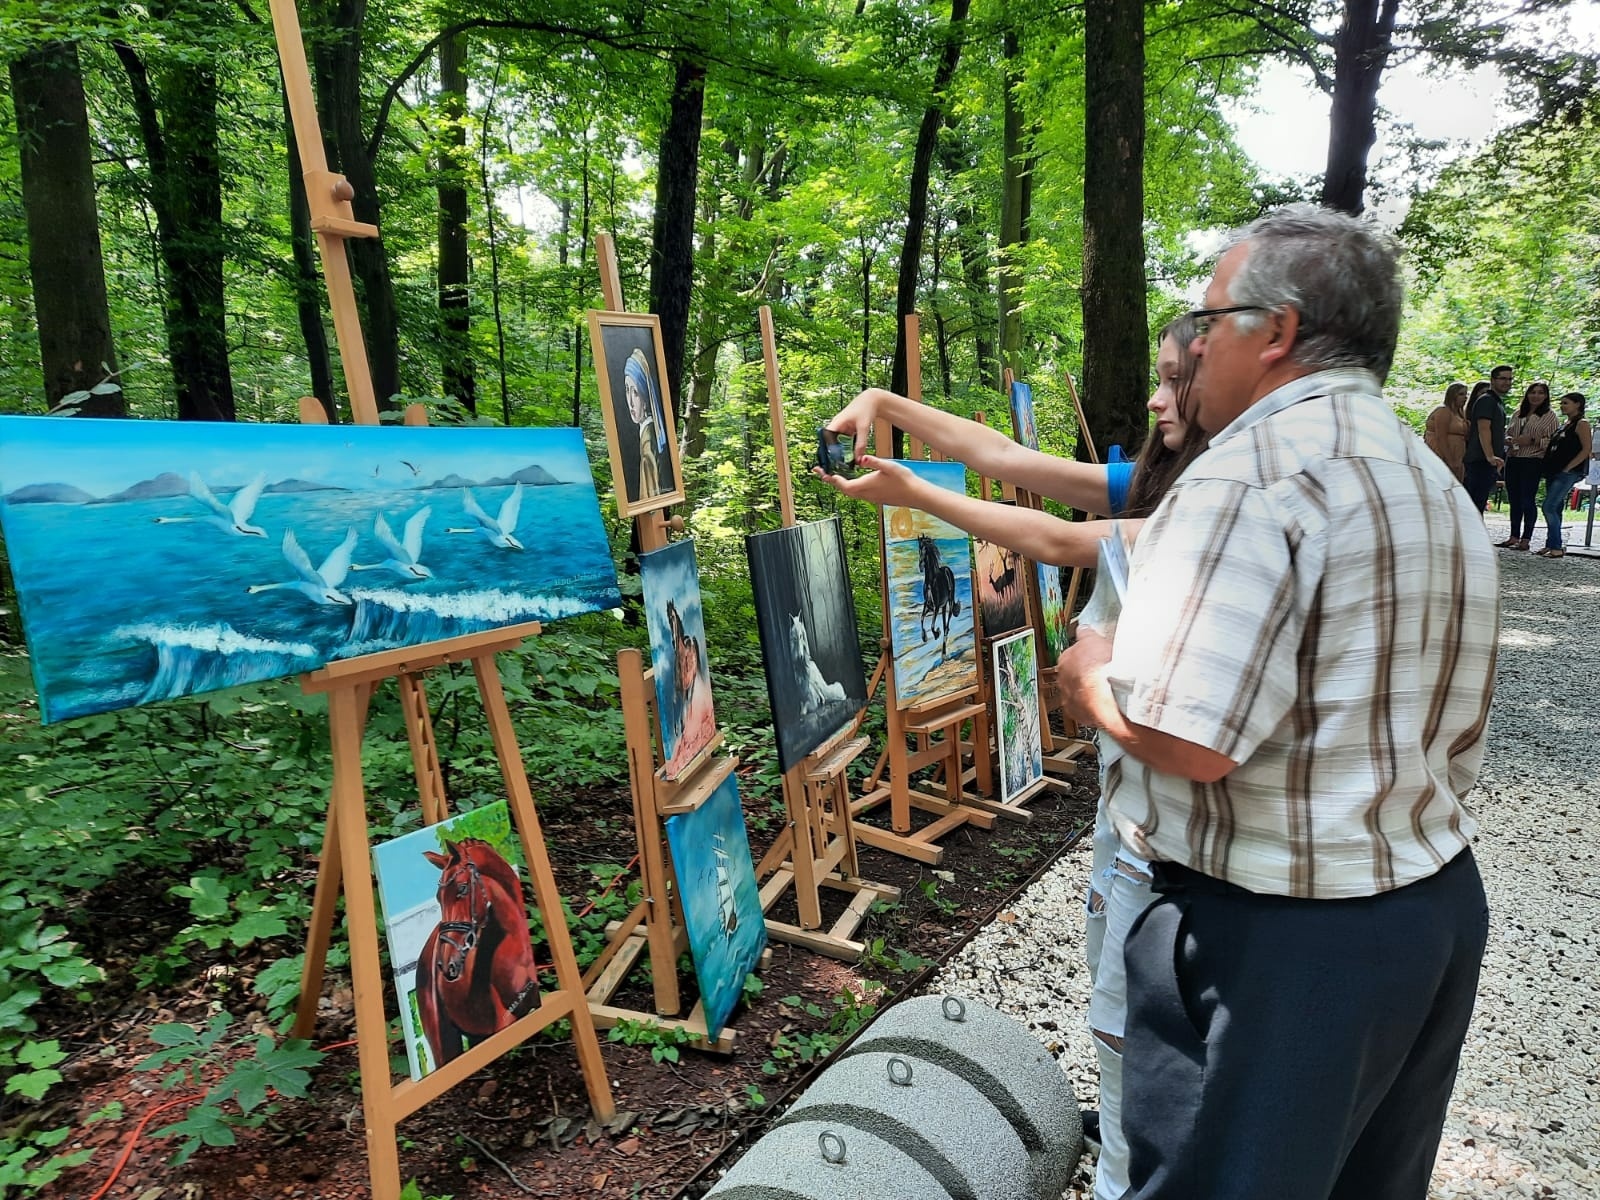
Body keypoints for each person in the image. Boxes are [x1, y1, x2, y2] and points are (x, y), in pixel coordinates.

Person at [1056, 203, 1497, 1200]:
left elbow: (1190, 741)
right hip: (1423, 911)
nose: (1196, 345)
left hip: (1275, 942)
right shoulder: (1422, 476)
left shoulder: (1250, 473)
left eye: (1208, 320)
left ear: (1277, 332)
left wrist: (1087, 678)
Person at [819, 316, 1208, 1200]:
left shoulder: (1224, 499)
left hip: (1177, 811)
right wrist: (883, 402)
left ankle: (1134, 1170)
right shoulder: (1155, 475)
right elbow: (1003, 455)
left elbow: (1065, 542)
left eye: (1173, 379)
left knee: (1148, 1004)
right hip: (1128, 797)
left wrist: (918, 493)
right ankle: (1125, 1138)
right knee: (1113, 976)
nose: (1153, 397)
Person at [1500, 381, 1557, 549]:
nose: (1536, 396)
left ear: (1545, 396)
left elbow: (1553, 442)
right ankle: (1514, 536)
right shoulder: (1518, 413)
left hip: (1533, 460)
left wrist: (1533, 440)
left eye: (1540, 393)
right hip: (1514, 458)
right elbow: (1508, 433)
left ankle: (1526, 538)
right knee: (1514, 499)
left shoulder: (1549, 416)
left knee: (1527, 499)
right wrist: (1509, 441)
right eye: (1533, 392)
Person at [1537, 392, 1593, 558]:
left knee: (1548, 506)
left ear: (1577, 404)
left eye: (1566, 403)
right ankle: (1552, 543)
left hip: (1568, 472)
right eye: (1561, 403)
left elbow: (1586, 449)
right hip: (1554, 470)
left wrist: (1569, 467)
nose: (1562, 406)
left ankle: (1556, 547)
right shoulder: (1565, 424)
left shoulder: (1581, 424)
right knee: (1557, 507)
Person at [1463, 365, 1512, 513]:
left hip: (1487, 461)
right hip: (1480, 460)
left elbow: (1492, 431)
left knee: (1479, 503)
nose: (1507, 382)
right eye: (1502, 378)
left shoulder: (1497, 402)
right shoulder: (1487, 400)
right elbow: (1483, 428)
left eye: (1510, 379)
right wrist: (1490, 456)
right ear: (1492, 380)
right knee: (1473, 504)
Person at [623, 348, 667, 499]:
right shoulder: (648, 433)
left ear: (645, 399)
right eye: (627, 390)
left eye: (635, 392)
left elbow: (650, 501)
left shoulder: (647, 441)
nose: (630, 402)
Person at [1423, 382, 1469, 482]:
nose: (1465, 397)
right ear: (1452, 396)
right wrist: (1450, 460)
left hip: (1458, 455)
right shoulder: (1443, 411)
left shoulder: (1461, 413)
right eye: (1461, 394)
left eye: (1466, 394)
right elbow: (1441, 437)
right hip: (1442, 454)